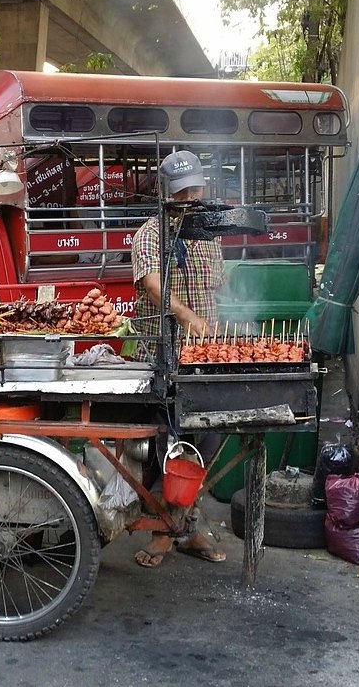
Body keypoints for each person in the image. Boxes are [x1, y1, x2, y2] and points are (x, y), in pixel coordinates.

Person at [129, 150, 227, 568]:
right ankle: (165, 528)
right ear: (166, 194)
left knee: (208, 438)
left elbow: (220, 287)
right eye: (183, 192)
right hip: (161, 356)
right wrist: (188, 317)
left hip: (203, 357)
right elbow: (152, 284)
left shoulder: (209, 235)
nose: (191, 198)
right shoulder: (150, 234)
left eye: (196, 190)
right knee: (167, 443)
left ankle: (183, 524)